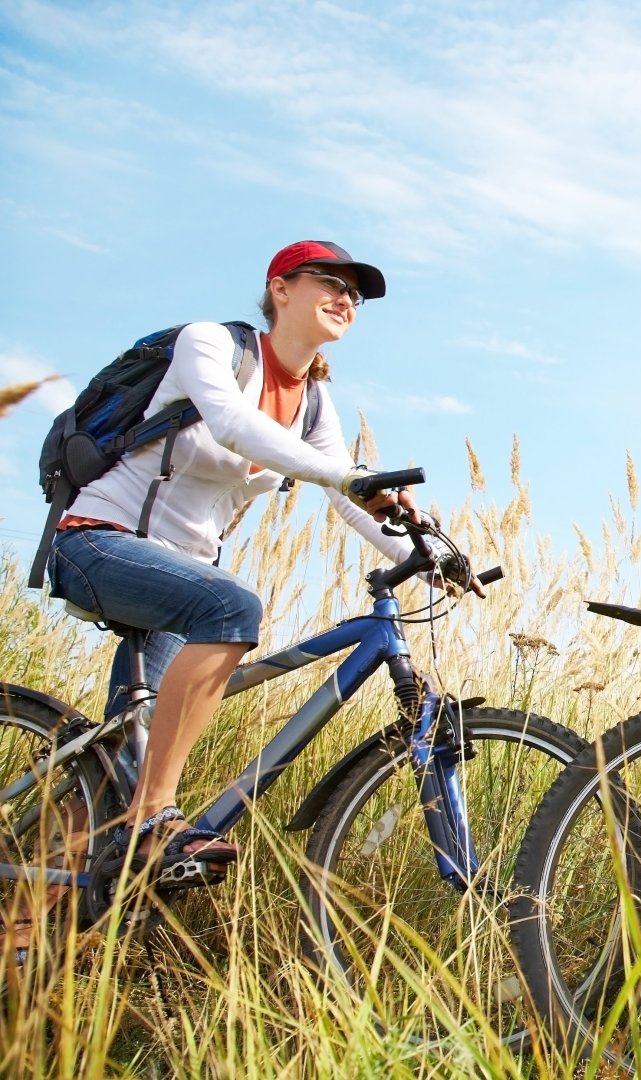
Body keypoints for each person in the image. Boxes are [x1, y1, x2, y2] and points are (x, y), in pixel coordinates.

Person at [12, 241, 412, 957]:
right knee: (231, 609)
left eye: (357, 294)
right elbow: (232, 426)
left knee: (111, 773)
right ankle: (155, 818)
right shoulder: (212, 345)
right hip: (97, 544)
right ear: (280, 287)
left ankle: (26, 936)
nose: (347, 299)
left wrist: (424, 555)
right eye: (333, 282)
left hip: (179, 573)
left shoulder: (314, 401)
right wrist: (344, 474)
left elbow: (344, 492)